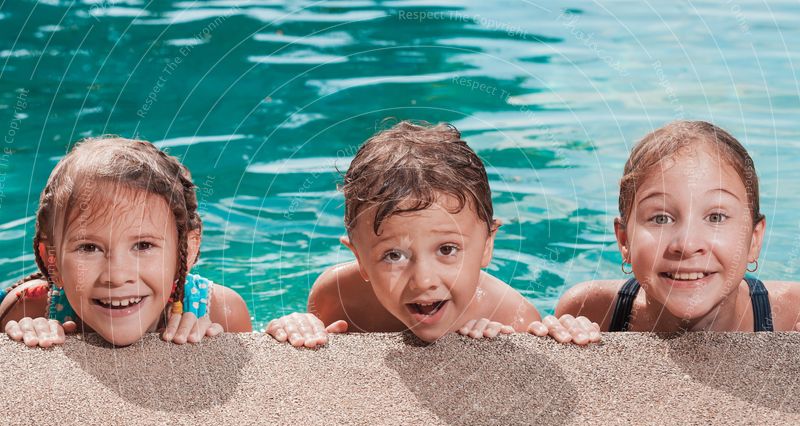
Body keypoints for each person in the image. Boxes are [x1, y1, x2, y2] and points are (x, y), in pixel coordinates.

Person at [267, 121, 600, 347]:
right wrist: (298, 327)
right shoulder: (339, 294)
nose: (424, 280)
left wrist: (496, 347)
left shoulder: (510, 314)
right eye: (393, 255)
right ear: (360, 259)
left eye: (447, 250)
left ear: (487, 246)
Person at [0, 136, 252, 347]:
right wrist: (28, 335)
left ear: (187, 250)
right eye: (89, 247)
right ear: (51, 260)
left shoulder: (221, 311)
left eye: (143, 245)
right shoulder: (29, 307)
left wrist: (289, 329)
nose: (117, 276)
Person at [557, 120, 800, 332]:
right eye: (661, 218)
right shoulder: (592, 311)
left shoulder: (791, 313)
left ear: (754, 239)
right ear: (624, 241)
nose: (687, 244)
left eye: (716, 217)